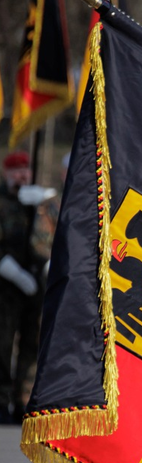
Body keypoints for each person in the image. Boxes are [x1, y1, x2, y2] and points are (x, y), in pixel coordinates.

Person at [0, 151, 55, 424]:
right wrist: (10, 269)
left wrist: (43, 206)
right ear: (6, 173)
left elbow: (50, 238)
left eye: (26, 170)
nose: (22, 176)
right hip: (5, 287)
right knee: (2, 344)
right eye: (16, 171)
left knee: (32, 345)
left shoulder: (40, 203)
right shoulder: (2, 201)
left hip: (35, 286)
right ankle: (0, 400)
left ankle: (24, 402)